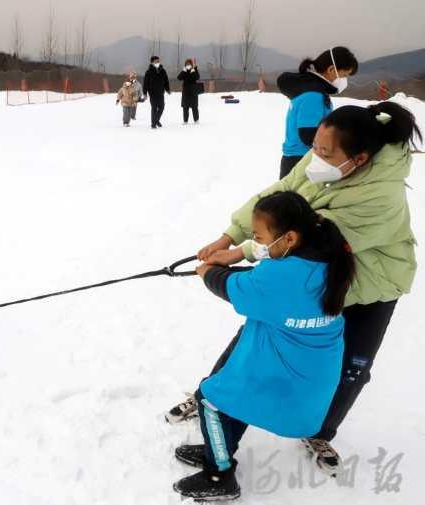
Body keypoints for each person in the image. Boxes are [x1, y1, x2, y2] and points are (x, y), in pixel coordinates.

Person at [172, 101, 420, 476]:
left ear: (360, 159)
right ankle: (215, 398)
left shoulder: (379, 197)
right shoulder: (325, 158)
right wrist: (228, 237)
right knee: (255, 334)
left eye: (324, 152)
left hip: (368, 284)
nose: (314, 158)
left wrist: (237, 256)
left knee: (349, 364)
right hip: (312, 271)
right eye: (314, 148)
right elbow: (281, 192)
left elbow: (307, 241)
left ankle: (319, 429)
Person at [173, 191, 355, 501]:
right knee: (238, 392)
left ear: (289, 238)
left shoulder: (281, 274)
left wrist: (207, 272)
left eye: (259, 236)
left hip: (287, 379)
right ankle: (220, 448)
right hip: (304, 370)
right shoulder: (328, 255)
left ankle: (219, 474)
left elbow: (234, 288)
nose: (255, 243)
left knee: (210, 398)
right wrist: (228, 264)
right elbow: (271, 284)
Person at [277, 47, 359, 179]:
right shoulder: (313, 95)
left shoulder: (311, 90)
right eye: (344, 75)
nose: (344, 80)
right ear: (331, 69)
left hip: (299, 160)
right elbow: (308, 135)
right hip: (301, 162)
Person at [142, 55, 171, 129]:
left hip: (161, 92)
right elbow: (145, 83)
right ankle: (153, 124)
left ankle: (156, 120)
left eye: (158, 61)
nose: (158, 62)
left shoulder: (162, 70)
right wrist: (145, 93)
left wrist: (168, 89)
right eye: (156, 61)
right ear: (152, 62)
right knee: (154, 108)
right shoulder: (148, 72)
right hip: (152, 93)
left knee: (161, 107)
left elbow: (166, 81)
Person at [177, 58, 200, 124]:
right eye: (187, 64)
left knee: (194, 106)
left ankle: (196, 120)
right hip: (186, 92)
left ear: (191, 64)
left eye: (189, 64)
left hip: (193, 91)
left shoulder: (193, 70)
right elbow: (179, 78)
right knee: (185, 107)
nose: (188, 65)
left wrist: (194, 68)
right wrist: (183, 70)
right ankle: (185, 121)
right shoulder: (184, 71)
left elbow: (197, 77)